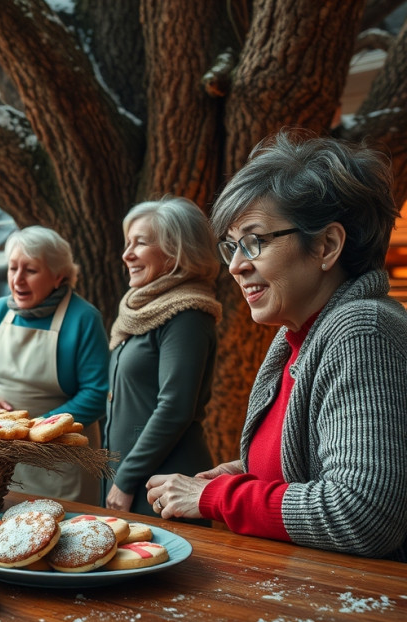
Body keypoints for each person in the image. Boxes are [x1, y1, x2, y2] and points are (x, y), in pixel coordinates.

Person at [146, 133, 407, 561]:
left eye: (255, 241)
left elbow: (364, 511)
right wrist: (244, 471)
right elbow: (314, 466)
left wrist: (219, 496)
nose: (235, 266)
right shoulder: (298, 337)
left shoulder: (363, 330)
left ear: (326, 245)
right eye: (231, 246)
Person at [0, 226, 110, 504]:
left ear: (58, 276)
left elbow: (96, 393)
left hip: (60, 463)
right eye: (12, 268)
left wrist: (40, 427)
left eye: (30, 270)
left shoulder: (83, 318)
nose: (17, 280)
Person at [102, 196, 221, 520]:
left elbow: (175, 407)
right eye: (128, 243)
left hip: (162, 485)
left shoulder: (188, 316)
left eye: (139, 243)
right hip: (130, 478)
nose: (126, 254)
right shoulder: (142, 313)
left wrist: (125, 480)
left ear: (175, 253)